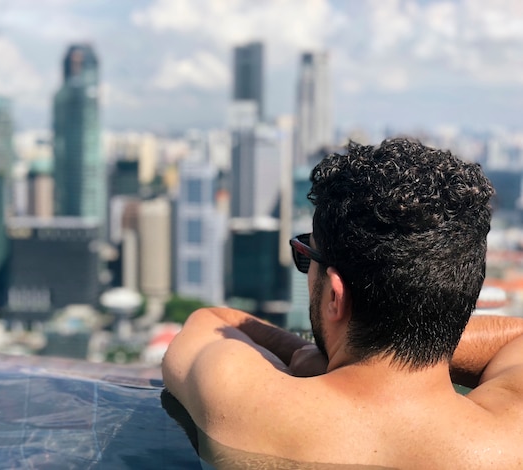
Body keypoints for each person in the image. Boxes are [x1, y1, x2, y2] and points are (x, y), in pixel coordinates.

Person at [162, 138, 523, 469]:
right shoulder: (510, 437)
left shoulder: (241, 401)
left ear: (335, 295)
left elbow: (210, 322)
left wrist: (305, 355)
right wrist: (418, 329)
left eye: (306, 255)